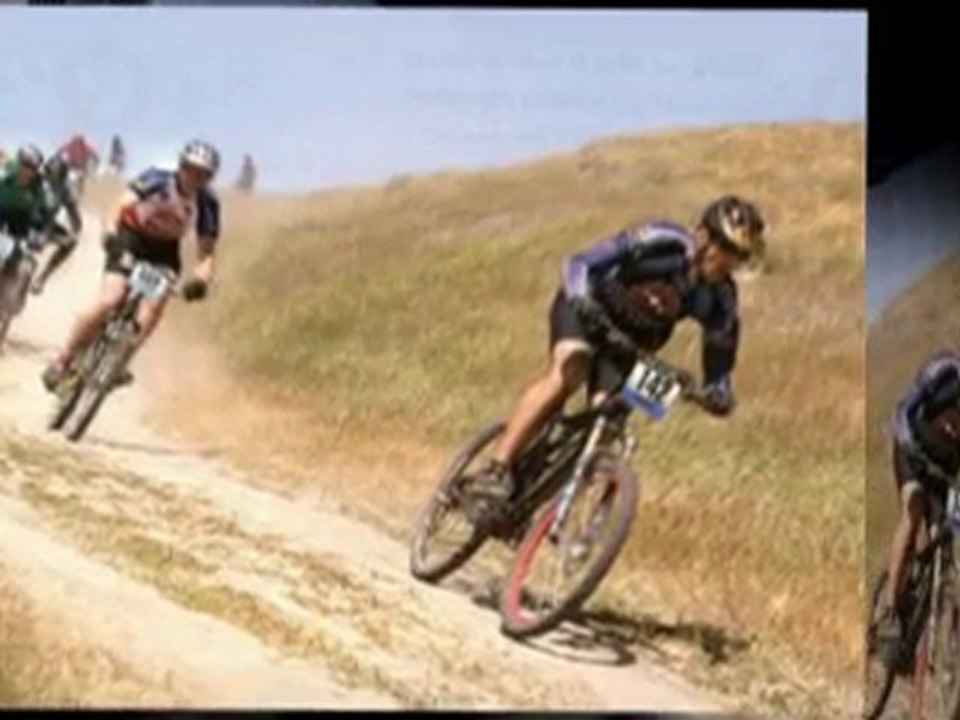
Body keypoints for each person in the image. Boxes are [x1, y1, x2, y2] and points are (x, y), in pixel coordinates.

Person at [470, 195, 766, 503]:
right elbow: (579, 263)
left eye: (739, 256)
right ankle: (496, 468)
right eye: (726, 249)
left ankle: (551, 505)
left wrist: (717, 393)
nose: (729, 262)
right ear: (703, 235)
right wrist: (581, 298)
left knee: (612, 418)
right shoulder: (662, 240)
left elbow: (720, 357)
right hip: (588, 309)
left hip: (632, 342)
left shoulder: (721, 296)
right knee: (570, 370)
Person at [41, 139, 221, 392]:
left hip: (164, 252)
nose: (195, 178)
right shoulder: (158, 179)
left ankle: (121, 361)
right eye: (191, 169)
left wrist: (202, 279)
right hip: (131, 237)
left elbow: (207, 250)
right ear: (181, 166)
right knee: (111, 298)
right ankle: (64, 358)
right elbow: (121, 203)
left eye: (203, 174)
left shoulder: (208, 203)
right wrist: (111, 233)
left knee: (152, 309)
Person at [876, 351, 960, 665]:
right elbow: (905, 408)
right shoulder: (944, 372)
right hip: (912, 451)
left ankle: (917, 612)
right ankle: (888, 610)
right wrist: (906, 438)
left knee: (940, 538)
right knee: (913, 515)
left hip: (943, 472)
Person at [29, 154, 84, 295]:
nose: (52, 179)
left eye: (57, 175)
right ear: (46, 170)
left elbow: (75, 214)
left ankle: (43, 277)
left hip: (45, 227)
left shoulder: (65, 190)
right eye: (50, 172)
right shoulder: (33, 178)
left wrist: (76, 230)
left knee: (71, 242)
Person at [0, 144, 46, 240]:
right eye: (24, 164)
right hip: (3, 209)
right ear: (18, 163)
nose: (27, 171)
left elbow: (42, 209)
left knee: (21, 243)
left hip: (22, 216)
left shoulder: (38, 186)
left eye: (32, 168)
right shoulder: (4, 175)